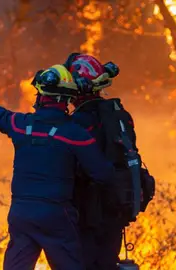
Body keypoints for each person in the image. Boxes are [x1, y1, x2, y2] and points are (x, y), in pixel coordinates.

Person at [0, 63, 116, 270]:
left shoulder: (20, 125)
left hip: (21, 214)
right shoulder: (76, 134)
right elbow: (103, 174)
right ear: (68, 99)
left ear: (40, 95)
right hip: (57, 216)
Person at [59, 53, 155, 270]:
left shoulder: (79, 122)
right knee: (107, 262)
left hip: (89, 209)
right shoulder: (120, 115)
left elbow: (74, 165)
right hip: (117, 204)